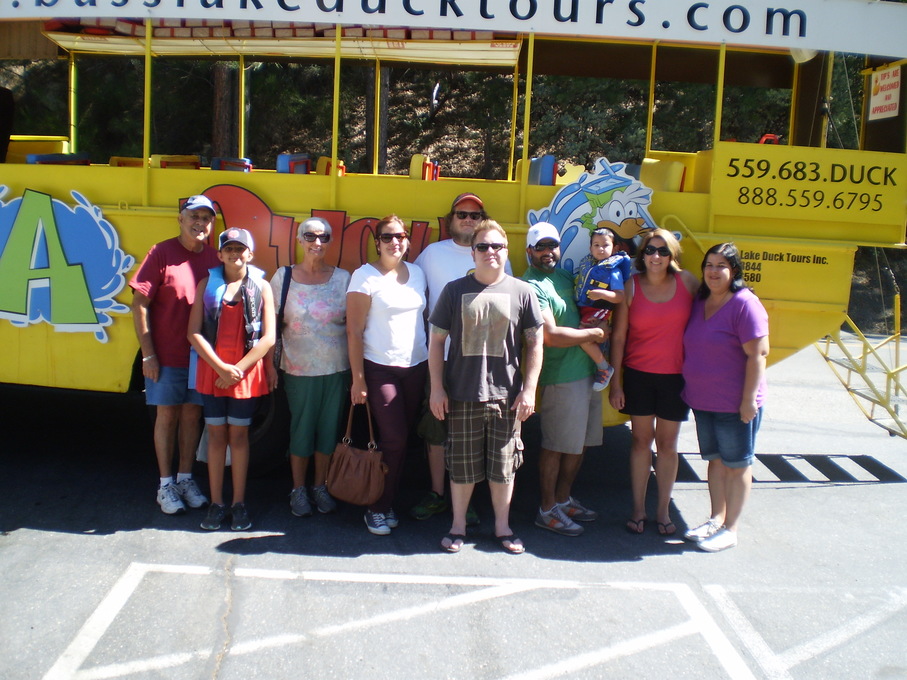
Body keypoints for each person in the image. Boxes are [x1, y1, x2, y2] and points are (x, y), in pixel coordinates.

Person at [429, 220, 543, 554]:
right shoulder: (454, 290)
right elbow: (437, 342)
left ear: (506, 252)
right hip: (462, 393)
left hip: (507, 397)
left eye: (497, 246)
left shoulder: (522, 292)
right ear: (473, 251)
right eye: (483, 246)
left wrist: (530, 389)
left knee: (504, 466)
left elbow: (535, 343)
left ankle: (503, 528)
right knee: (461, 464)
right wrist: (437, 388)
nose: (490, 252)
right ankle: (458, 525)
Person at [411, 192, 512, 524]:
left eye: (475, 214)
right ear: (450, 219)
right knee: (437, 429)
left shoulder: (497, 256)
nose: (468, 219)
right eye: (461, 214)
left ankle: (466, 500)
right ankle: (439, 494)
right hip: (441, 358)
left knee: (473, 435)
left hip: (484, 364)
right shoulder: (431, 255)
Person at [130, 195, 220, 515]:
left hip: (200, 357)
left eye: (206, 218)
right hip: (166, 356)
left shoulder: (215, 258)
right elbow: (139, 305)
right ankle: (165, 485)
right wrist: (148, 354)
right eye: (194, 216)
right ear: (180, 219)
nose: (200, 223)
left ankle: (185, 478)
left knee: (192, 416)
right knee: (166, 417)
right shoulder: (161, 252)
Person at [608, 228, 699, 536]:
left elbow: (716, 304)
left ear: (672, 255)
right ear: (641, 254)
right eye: (649, 250)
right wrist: (615, 383)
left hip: (676, 377)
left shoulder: (686, 282)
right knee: (639, 442)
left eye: (662, 251)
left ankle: (662, 511)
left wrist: (743, 293)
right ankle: (638, 510)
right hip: (638, 375)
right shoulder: (631, 287)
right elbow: (618, 337)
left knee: (668, 446)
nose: (656, 257)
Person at [682, 243, 769, 552]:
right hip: (704, 401)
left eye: (721, 265)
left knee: (737, 465)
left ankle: (731, 528)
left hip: (735, 404)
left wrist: (748, 401)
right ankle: (715, 519)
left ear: (734, 271)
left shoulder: (745, 304)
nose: (713, 271)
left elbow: (758, 355)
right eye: (709, 265)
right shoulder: (701, 301)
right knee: (715, 462)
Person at [188, 228, 276, 531]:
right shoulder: (205, 284)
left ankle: (238, 503)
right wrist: (220, 369)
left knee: (238, 438)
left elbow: (268, 337)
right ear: (220, 253)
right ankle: (216, 503)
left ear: (250, 254)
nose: (235, 254)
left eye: (241, 249)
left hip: (245, 374)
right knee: (215, 437)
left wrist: (237, 369)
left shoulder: (262, 287)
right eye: (229, 249)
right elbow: (194, 332)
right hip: (213, 373)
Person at [347, 215, 429, 536]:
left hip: (416, 368)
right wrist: (358, 379)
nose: (395, 242)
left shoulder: (419, 274)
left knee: (401, 441)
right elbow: (354, 332)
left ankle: (387, 500)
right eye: (387, 237)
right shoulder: (364, 277)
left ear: (407, 240)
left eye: (400, 236)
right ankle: (377, 507)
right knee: (393, 438)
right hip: (379, 369)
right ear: (377, 242)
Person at [523, 222, 606, 537]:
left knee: (578, 446)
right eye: (541, 247)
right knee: (556, 447)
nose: (548, 253)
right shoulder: (531, 285)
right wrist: (596, 334)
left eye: (552, 246)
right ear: (530, 250)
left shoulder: (564, 277)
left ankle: (562, 499)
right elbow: (551, 336)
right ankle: (546, 510)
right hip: (560, 376)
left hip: (587, 372)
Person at [267, 217, 350, 518]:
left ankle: (320, 486)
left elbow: (354, 326)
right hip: (298, 369)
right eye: (310, 236)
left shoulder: (343, 279)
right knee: (301, 429)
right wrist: (269, 365)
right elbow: (272, 326)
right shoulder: (284, 276)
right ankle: (298, 489)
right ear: (300, 241)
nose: (317, 242)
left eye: (324, 237)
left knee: (329, 431)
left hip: (336, 368)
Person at [573, 227, 632, 391]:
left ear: (614, 249)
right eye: (596, 245)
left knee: (583, 337)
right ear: (590, 248)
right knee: (586, 337)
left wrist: (602, 294)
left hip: (598, 309)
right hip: (586, 308)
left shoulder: (613, 271)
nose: (600, 249)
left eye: (605, 245)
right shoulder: (589, 265)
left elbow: (619, 296)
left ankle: (604, 367)